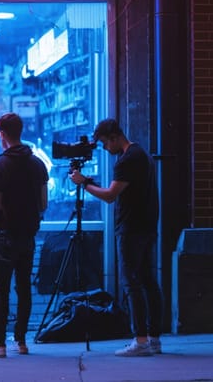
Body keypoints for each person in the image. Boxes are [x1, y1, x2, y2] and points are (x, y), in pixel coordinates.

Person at [69, 118, 163, 357]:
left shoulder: (127, 160)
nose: (103, 148)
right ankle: (153, 339)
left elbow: (110, 195)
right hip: (147, 226)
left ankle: (140, 340)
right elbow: (120, 190)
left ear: (113, 137)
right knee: (148, 282)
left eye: (103, 142)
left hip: (131, 229)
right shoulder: (141, 154)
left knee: (131, 283)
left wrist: (84, 184)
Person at [0, 113, 49, 357]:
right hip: (28, 235)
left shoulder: (0, 164)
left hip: (5, 235)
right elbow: (44, 203)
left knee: (1, 289)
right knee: (24, 288)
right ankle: (21, 341)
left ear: (3, 134)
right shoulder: (37, 164)